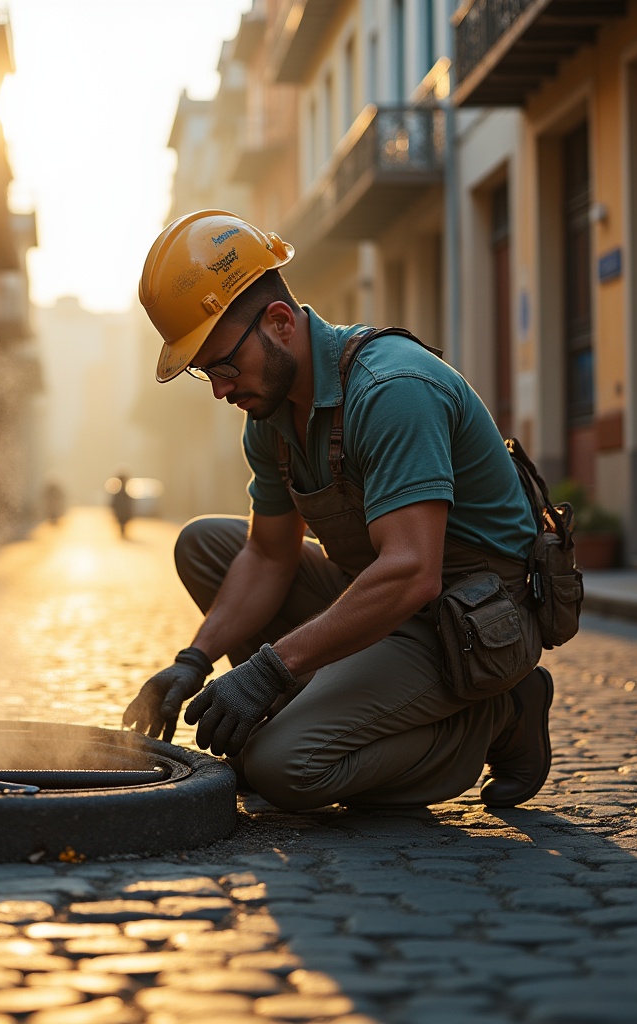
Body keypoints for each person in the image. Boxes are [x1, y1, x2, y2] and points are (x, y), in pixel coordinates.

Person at [122, 209, 553, 811]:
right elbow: (268, 554)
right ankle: (302, 704)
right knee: (204, 544)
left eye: (223, 366)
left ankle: (499, 716)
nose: (219, 388)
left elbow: (412, 572)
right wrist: (193, 661)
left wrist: (267, 671)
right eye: (204, 373)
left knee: (281, 767)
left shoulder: (392, 391)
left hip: (463, 622)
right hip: (379, 598)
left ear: (279, 323)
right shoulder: (270, 414)